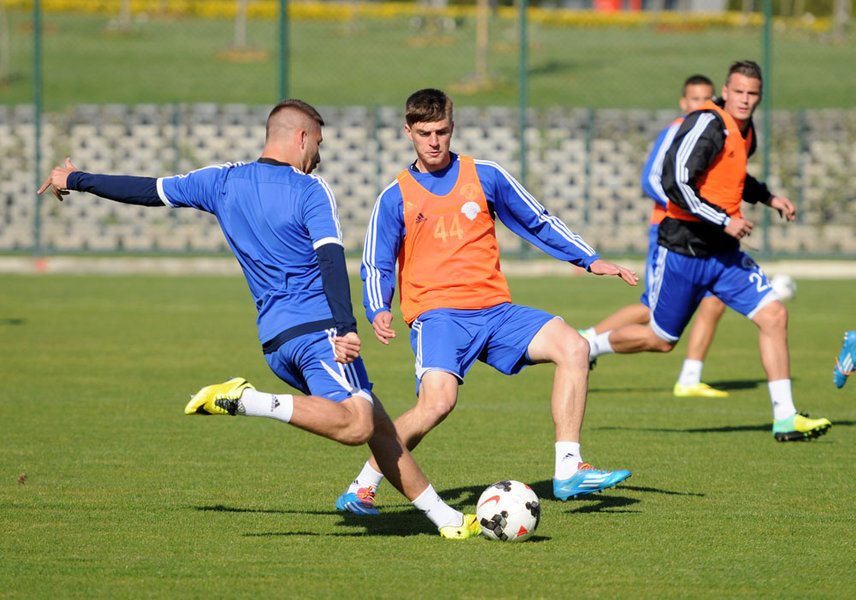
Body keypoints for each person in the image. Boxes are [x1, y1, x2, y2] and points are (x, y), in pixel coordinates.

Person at [37, 99, 481, 539]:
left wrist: (76, 179)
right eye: (318, 143)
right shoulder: (310, 190)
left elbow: (147, 190)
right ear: (301, 137)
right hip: (318, 332)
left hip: (276, 342)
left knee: (380, 427)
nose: (319, 155)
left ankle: (447, 519)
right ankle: (247, 400)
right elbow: (330, 258)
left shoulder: (222, 181)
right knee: (358, 423)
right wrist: (346, 328)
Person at [335, 88, 638, 515]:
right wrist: (378, 308)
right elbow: (376, 262)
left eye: (442, 131)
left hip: (495, 312)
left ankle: (569, 469)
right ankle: (362, 486)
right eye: (424, 133)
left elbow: (537, 220)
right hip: (438, 316)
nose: (434, 142)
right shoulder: (395, 196)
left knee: (575, 346)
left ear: (452, 128)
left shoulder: (486, 175)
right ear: (408, 132)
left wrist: (589, 259)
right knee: (437, 404)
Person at [585, 61, 832, 442]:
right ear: (726, 91)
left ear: (759, 96)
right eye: (739, 92)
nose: (745, 100)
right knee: (661, 340)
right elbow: (675, 182)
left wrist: (769, 197)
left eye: (752, 94)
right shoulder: (706, 123)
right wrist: (723, 219)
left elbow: (734, 177)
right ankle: (588, 345)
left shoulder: (746, 131)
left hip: (724, 256)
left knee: (774, 315)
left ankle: (785, 417)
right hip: (683, 250)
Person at [581, 75, 729, 398]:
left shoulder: (718, 132)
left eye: (708, 99)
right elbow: (651, 180)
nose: (702, 105)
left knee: (715, 299)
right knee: (652, 306)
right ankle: (585, 342)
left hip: (704, 236)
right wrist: (691, 208)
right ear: (683, 103)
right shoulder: (677, 130)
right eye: (695, 99)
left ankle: (690, 377)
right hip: (671, 233)